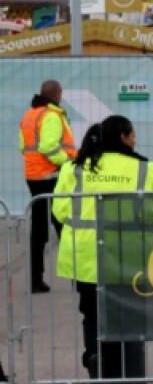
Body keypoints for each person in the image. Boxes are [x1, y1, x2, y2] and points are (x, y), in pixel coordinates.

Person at [52, 116, 153, 384]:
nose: (135, 139)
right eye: (133, 134)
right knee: (127, 315)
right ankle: (125, 380)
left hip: (85, 254)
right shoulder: (144, 168)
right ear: (123, 137)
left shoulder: (74, 167)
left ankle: (97, 361)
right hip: (128, 253)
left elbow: (60, 210)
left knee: (92, 313)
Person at [19, 79, 76, 293]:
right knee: (64, 225)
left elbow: (23, 146)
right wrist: (69, 162)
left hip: (34, 177)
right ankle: (75, 276)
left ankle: (36, 280)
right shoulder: (51, 116)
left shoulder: (29, 115)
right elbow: (48, 147)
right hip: (51, 177)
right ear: (57, 94)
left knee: (39, 230)